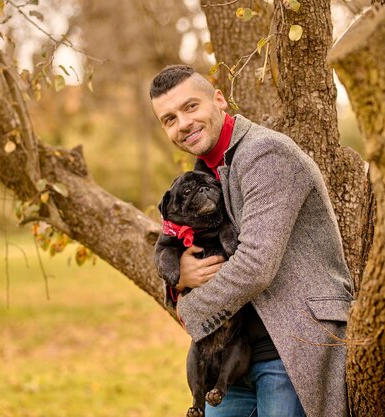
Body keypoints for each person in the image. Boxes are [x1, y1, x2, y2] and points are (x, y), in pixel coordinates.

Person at [150, 64, 354, 417]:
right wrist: (178, 278)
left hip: (290, 347)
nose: (182, 124)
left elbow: (255, 265)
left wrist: (189, 309)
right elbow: (175, 245)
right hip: (229, 359)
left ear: (219, 100)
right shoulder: (201, 176)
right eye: (169, 119)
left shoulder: (265, 154)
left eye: (190, 107)